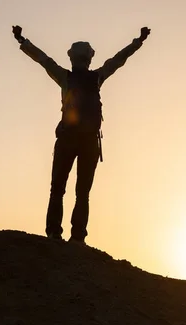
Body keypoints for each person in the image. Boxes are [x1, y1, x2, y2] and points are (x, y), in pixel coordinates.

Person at [11, 25, 151, 244]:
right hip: (89, 143)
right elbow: (118, 60)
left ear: (72, 58)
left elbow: (43, 60)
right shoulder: (97, 78)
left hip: (67, 139)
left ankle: (54, 233)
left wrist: (23, 41)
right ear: (89, 58)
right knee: (82, 192)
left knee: (57, 188)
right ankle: (77, 238)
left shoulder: (65, 77)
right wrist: (138, 42)